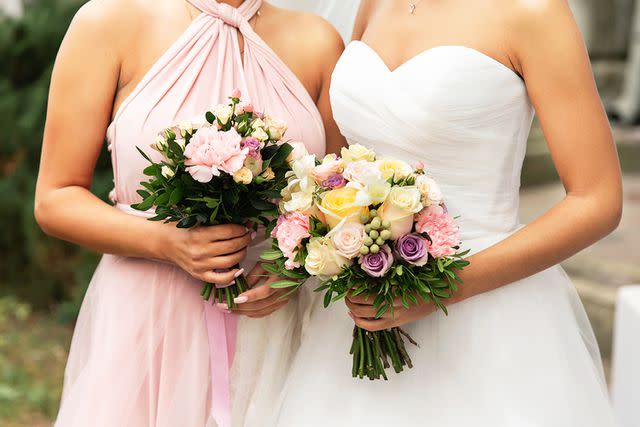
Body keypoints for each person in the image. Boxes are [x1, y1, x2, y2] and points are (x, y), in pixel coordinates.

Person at [277, 0, 621, 425]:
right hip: (361, 306)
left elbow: (597, 201)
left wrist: (441, 289)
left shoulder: (534, 11)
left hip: (486, 310)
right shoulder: (374, 5)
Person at [34, 0, 344, 426]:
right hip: (150, 319)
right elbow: (56, 198)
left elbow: (332, 195)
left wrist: (293, 270)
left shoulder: (318, 41)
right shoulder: (108, 21)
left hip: (273, 321)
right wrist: (167, 243)